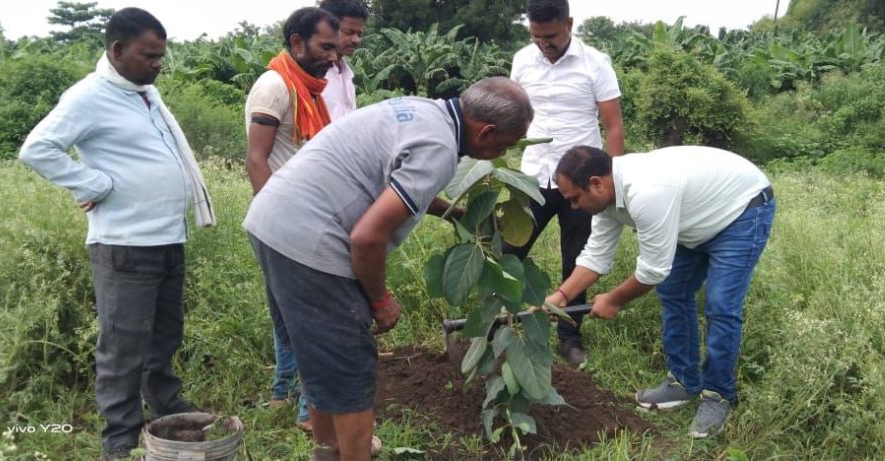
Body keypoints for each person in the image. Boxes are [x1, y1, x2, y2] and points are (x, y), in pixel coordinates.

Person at [243, 77, 532, 461]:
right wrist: (380, 301)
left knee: (319, 351)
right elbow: (366, 239)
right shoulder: (441, 148)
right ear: (488, 130)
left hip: (275, 220)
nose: (502, 152)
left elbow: (391, 179)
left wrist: (452, 211)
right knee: (348, 360)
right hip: (310, 239)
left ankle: (329, 449)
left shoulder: (424, 110)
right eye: (505, 145)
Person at [17, 8, 215, 460]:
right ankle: (120, 438)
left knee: (165, 334)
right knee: (123, 346)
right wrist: (95, 184)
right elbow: (37, 149)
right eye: (149, 55)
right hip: (125, 244)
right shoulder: (88, 96)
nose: (157, 64)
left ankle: (164, 403)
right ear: (117, 50)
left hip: (167, 237)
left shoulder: (144, 92)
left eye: (161, 56)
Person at [545, 145, 775, 438]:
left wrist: (614, 300)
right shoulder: (607, 198)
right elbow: (596, 256)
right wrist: (560, 298)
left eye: (574, 199)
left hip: (741, 211)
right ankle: (683, 382)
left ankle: (718, 394)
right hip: (695, 217)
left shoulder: (647, 192)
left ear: (596, 183)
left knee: (720, 304)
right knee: (673, 292)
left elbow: (653, 271)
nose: (573, 207)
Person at [507, 0, 625, 366]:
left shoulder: (596, 63)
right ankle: (504, 324)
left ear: (569, 24)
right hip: (533, 177)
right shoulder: (522, 60)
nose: (544, 43)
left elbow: (613, 126)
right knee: (510, 252)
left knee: (576, 261)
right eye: (536, 36)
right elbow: (514, 112)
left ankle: (570, 337)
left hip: (580, 183)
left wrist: (615, 184)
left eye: (551, 36)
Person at [243, 6, 340, 434]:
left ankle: (282, 391)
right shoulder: (275, 85)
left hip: (293, 219)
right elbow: (255, 160)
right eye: (325, 47)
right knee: (307, 319)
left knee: (285, 315)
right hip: (283, 224)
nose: (333, 58)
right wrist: (279, 220)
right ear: (297, 42)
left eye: (336, 49)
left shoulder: (310, 90)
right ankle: (308, 413)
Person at [318, 0, 369, 120]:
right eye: (349, 32)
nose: (356, 40)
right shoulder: (308, 76)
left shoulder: (348, 74)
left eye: (359, 34)